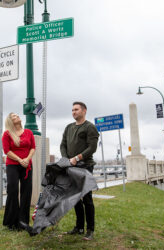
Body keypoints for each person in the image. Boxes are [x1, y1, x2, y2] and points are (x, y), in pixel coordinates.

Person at [60, 101, 99, 241]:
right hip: (71, 166)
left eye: (76, 109)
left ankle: (90, 230)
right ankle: (79, 227)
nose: (73, 112)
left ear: (84, 111)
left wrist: (77, 157)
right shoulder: (68, 127)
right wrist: (66, 159)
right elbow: (63, 144)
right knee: (75, 198)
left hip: (85, 166)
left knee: (87, 198)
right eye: (72, 110)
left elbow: (92, 148)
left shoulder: (90, 127)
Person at [2, 113, 35, 230]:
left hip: (27, 165)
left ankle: (23, 222)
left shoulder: (28, 132)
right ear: (10, 121)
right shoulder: (7, 134)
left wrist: (27, 159)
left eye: (17, 115)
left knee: (26, 192)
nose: (17, 116)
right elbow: (7, 151)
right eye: (14, 116)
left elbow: (33, 147)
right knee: (13, 190)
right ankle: (12, 222)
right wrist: (19, 159)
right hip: (12, 165)